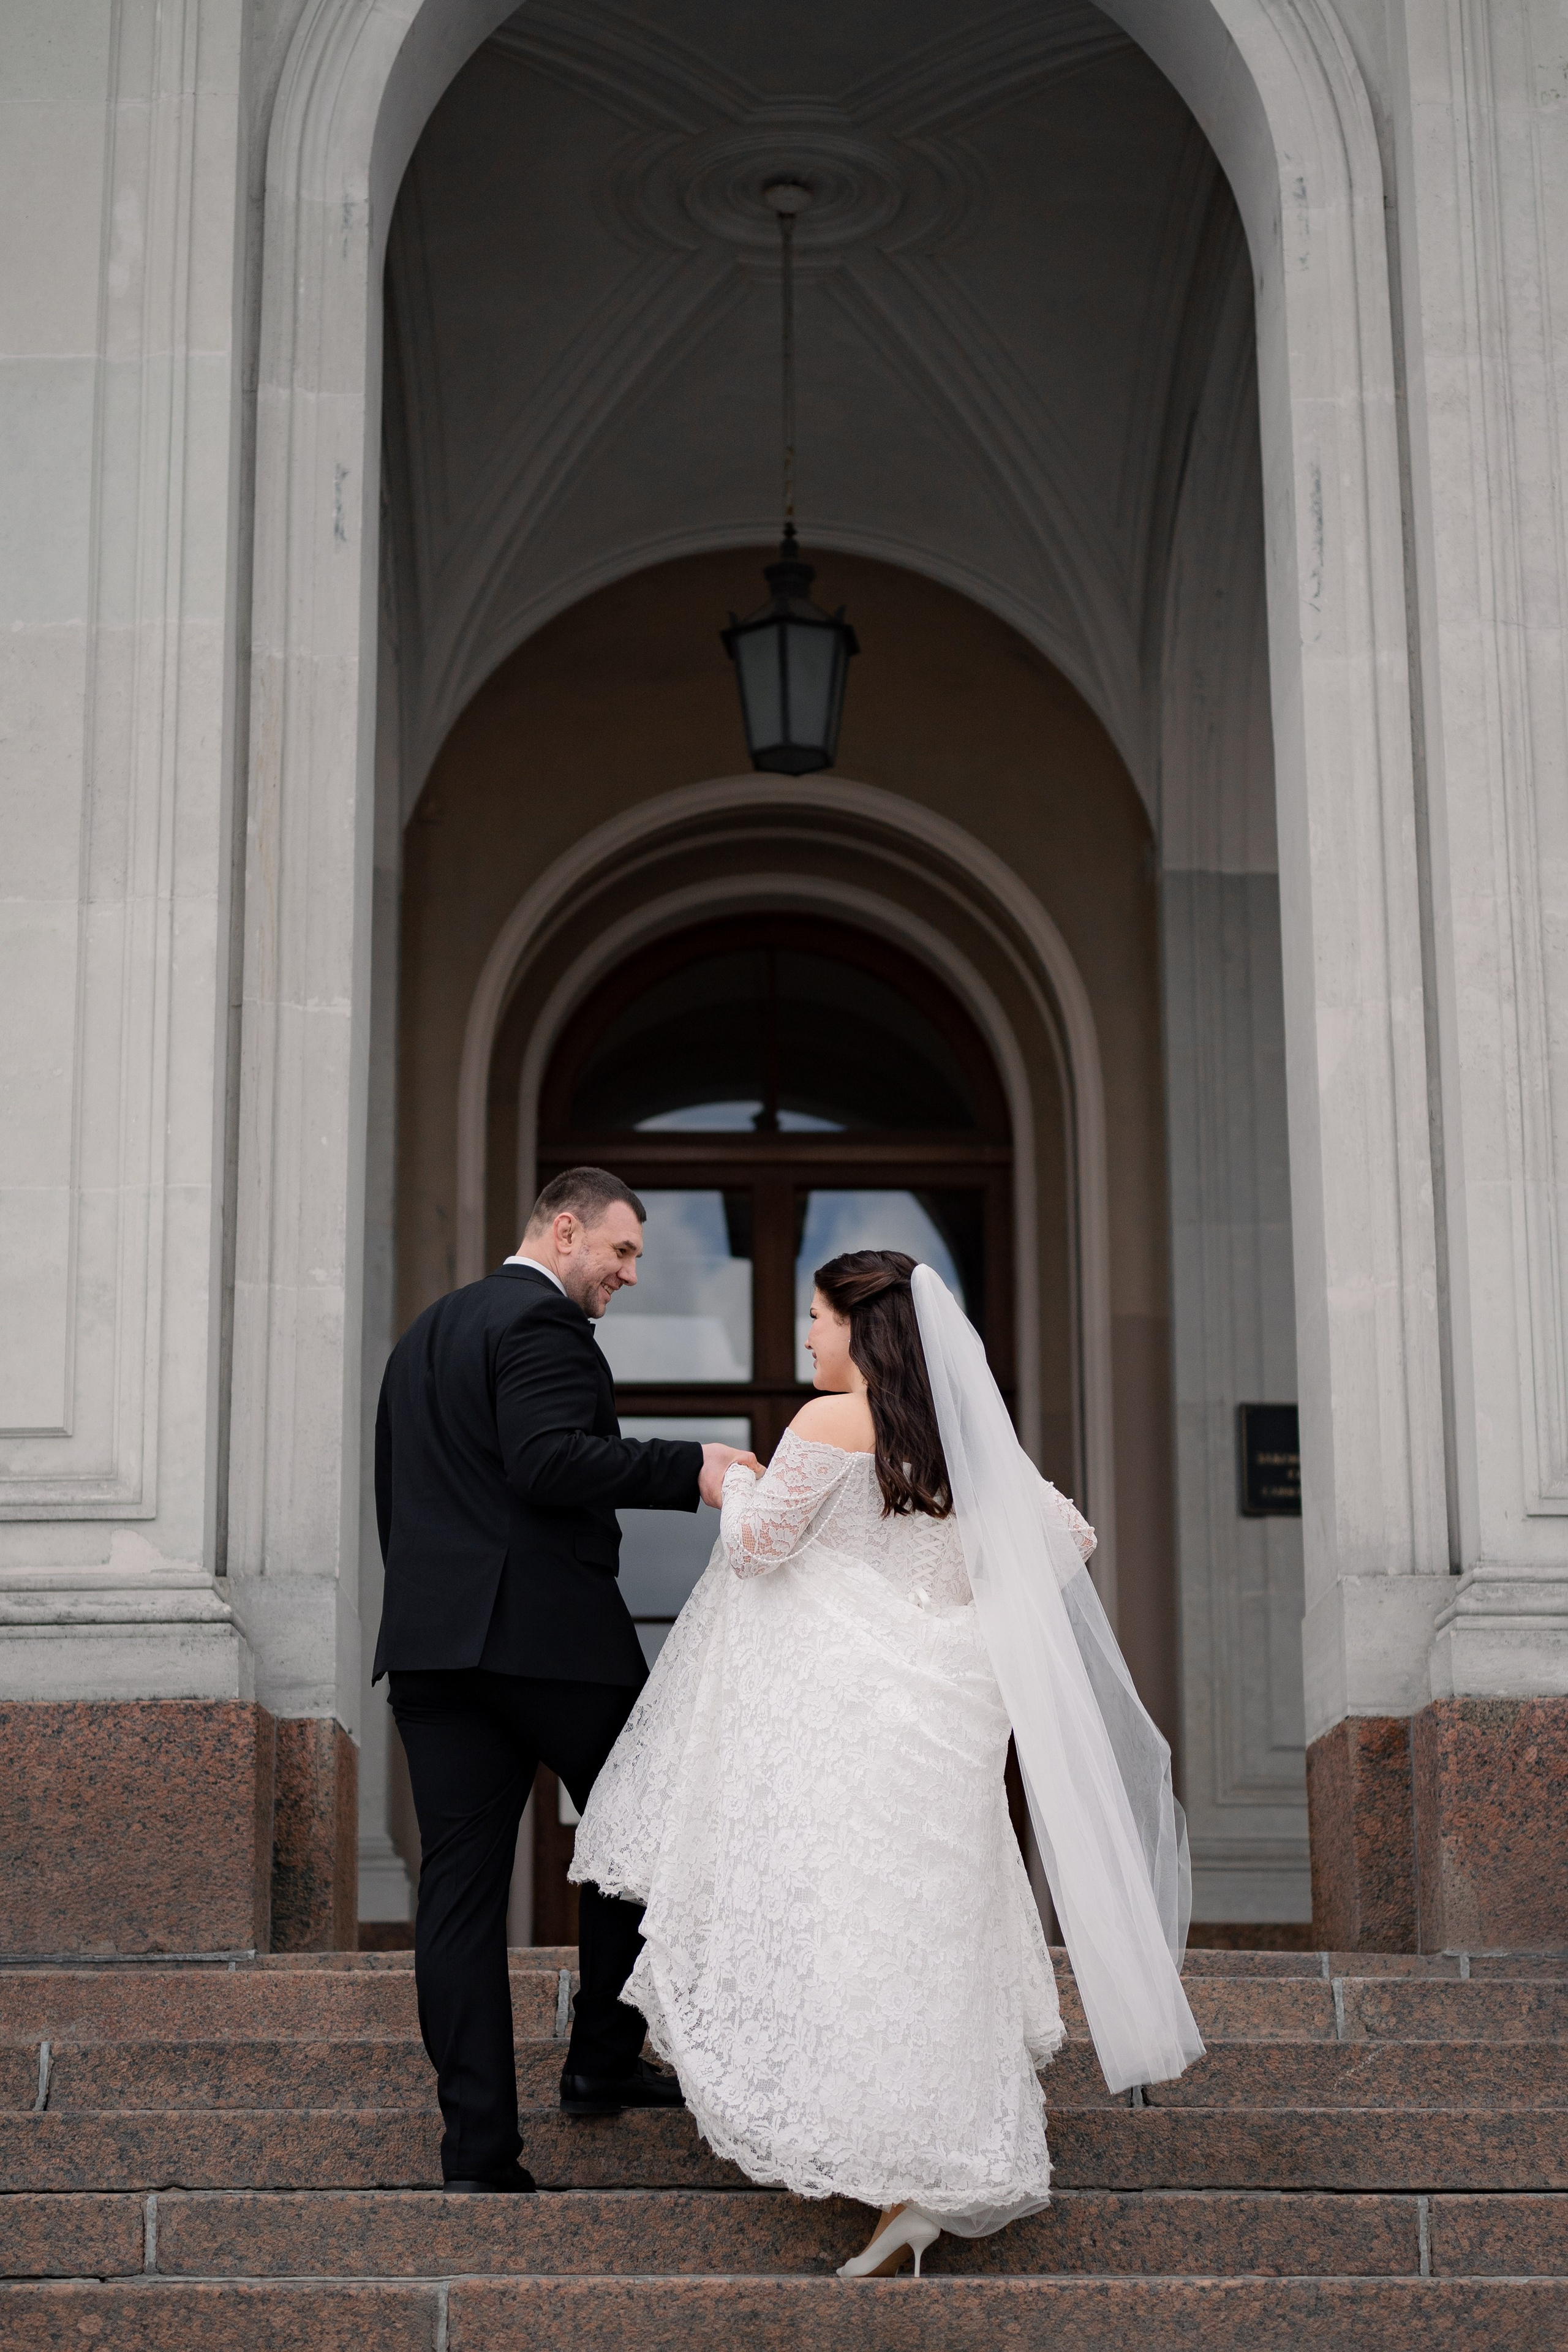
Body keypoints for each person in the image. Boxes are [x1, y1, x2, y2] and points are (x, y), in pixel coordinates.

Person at [572, 1250, 1203, 2274]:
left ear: (863, 1333)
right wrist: (939, 1614)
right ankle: (925, 2178)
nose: (806, 1338)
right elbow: (1069, 1538)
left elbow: (758, 1552)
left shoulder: (825, 1425)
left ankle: (891, 2164)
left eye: (816, 1318)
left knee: (848, 1932)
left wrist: (736, 1484)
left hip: (852, 1723)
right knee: (925, 1938)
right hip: (946, 1723)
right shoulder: (965, 1446)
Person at [372, 1164, 757, 2193]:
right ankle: (598, 2058)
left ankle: (479, 2155)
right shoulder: (543, 1329)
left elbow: (402, 1502)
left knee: (456, 1895)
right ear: (566, 1229)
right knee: (646, 1823)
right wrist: (692, 1469)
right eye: (622, 1252)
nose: (629, 1275)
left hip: (433, 1650)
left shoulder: (425, 1337)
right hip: (548, 1644)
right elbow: (547, 1462)